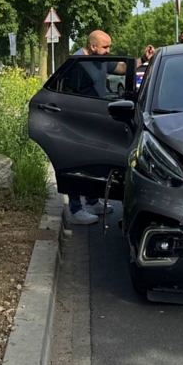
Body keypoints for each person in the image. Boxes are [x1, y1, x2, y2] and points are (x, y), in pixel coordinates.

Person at [65, 30, 155, 224]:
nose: (108, 51)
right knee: (76, 164)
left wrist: (142, 59)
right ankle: (75, 209)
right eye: (105, 47)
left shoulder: (101, 59)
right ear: (93, 46)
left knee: (93, 162)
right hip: (81, 121)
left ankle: (92, 201)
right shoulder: (78, 64)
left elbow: (122, 69)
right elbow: (69, 95)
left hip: (97, 119)